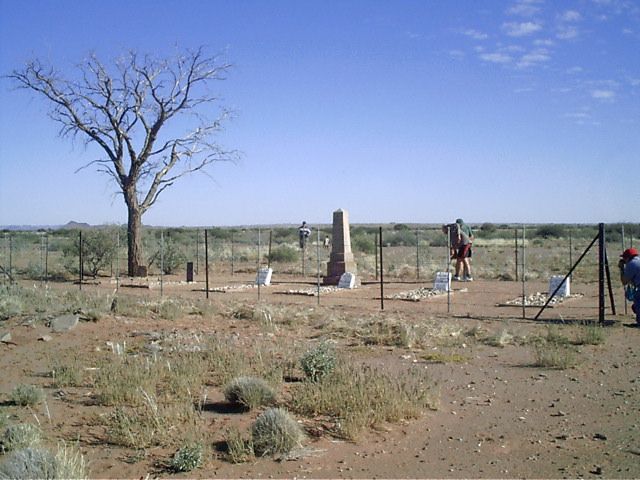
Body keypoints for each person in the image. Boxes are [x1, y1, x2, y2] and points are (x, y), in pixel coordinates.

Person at [619, 247, 640, 326]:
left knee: (637, 305)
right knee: (635, 306)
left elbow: (624, 281)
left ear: (627, 258)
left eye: (624, 259)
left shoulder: (631, 264)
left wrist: (621, 268)